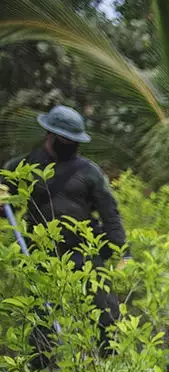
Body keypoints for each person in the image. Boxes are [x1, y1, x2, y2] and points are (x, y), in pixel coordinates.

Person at [3, 104, 127, 357]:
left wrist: (123, 253)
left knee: (106, 318)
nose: (69, 144)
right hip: (42, 255)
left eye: (74, 141)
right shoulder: (24, 166)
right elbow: (6, 203)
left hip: (85, 252)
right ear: (50, 135)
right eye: (64, 139)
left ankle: (111, 369)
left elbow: (110, 215)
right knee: (41, 323)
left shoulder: (88, 172)